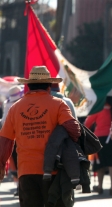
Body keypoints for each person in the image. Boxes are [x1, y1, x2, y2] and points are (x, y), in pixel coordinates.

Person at [0, 66, 81, 207]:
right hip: (54, 170)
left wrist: (1, 165)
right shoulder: (59, 104)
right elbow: (74, 130)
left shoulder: (15, 108)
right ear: (49, 87)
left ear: (29, 87)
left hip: (26, 172)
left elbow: (5, 141)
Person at [84, 86, 112, 196]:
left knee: (100, 164)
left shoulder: (99, 108)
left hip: (99, 139)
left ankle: (99, 187)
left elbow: (87, 123)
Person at [1, 85, 24, 197]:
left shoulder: (8, 105)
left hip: (14, 138)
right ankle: (21, 187)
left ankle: (19, 186)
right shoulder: (24, 102)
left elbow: (4, 122)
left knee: (16, 162)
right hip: (24, 137)